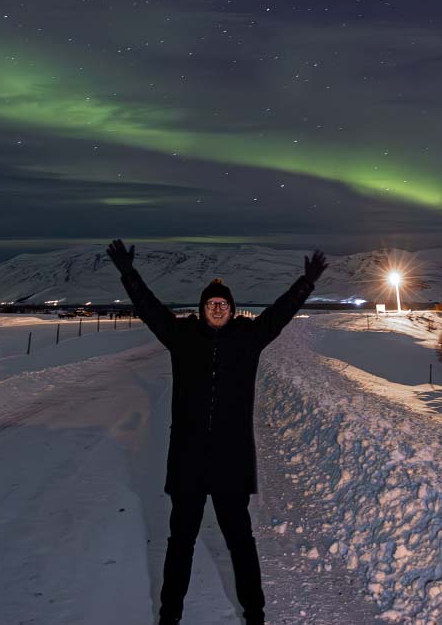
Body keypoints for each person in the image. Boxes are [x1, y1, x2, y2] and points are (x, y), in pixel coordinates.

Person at [107, 238, 327, 625]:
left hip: (231, 464)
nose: (218, 308)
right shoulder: (182, 339)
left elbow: (279, 315)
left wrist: (304, 285)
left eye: (223, 304)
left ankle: (255, 616)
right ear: (202, 308)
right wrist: (129, 274)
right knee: (180, 546)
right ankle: (169, 617)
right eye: (211, 303)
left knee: (241, 545)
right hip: (188, 463)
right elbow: (151, 311)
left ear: (232, 308)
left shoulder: (248, 340)